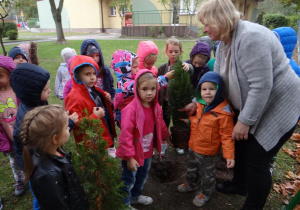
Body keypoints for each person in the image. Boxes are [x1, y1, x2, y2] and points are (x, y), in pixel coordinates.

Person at [193, 0, 300, 209]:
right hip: (257, 101)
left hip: (279, 103)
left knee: (257, 159)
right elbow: (219, 78)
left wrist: (245, 121)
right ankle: (240, 185)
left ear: (219, 20)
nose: (204, 29)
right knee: (240, 146)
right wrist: (197, 101)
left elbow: (261, 86)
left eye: (207, 23)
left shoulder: (252, 37)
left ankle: (253, 206)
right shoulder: (225, 42)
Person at [177, 71, 235, 207]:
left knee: (207, 174)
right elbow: (198, 120)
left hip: (208, 153)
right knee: (190, 168)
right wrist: (189, 121)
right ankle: (190, 184)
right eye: (204, 89)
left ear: (219, 90)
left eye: (211, 89)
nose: (207, 93)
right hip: (193, 146)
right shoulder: (199, 105)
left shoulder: (223, 114)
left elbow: (227, 136)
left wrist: (229, 155)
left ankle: (206, 192)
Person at [116, 69, 169, 208]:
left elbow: (160, 123)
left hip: (147, 152)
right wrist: (129, 157)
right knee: (129, 179)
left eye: (153, 89)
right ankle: (124, 203)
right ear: (137, 89)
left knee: (142, 176)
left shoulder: (155, 107)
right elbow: (126, 136)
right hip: (133, 153)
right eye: (144, 89)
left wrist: (165, 136)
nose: (149, 92)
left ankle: (135, 196)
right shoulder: (131, 110)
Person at [21, 104, 89, 210]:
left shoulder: (53, 149)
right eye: (67, 127)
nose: (69, 128)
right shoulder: (48, 176)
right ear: (55, 139)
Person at [65, 55, 117, 157]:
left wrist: (105, 95)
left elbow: (94, 98)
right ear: (77, 76)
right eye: (87, 74)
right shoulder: (74, 97)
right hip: (88, 142)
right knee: (92, 164)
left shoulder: (92, 87)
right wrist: (95, 116)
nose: (93, 77)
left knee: (101, 159)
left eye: (94, 73)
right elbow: (77, 124)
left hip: (98, 134)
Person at [111, 49, 174, 129]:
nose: (138, 69)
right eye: (134, 67)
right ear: (124, 68)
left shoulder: (128, 79)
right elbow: (146, 86)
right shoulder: (125, 83)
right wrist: (165, 78)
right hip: (126, 116)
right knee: (132, 133)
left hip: (132, 112)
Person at [157, 37, 193, 156]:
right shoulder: (163, 67)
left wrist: (189, 66)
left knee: (179, 124)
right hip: (166, 102)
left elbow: (191, 70)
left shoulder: (183, 66)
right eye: (170, 51)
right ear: (166, 52)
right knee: (164, 123)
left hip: (178, 103)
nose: (173, 54)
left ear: (181, 52)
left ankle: (178, 143)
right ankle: (163, 144)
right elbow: (158, 81)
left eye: (176, 51)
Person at [0, 56, 25, 196]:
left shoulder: (18, 91)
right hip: (6, 134)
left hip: (21, 130)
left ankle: (31, 172)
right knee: (13, 160)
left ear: (10, 74)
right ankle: (19, 180)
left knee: (26, 153)